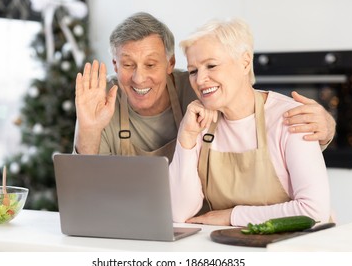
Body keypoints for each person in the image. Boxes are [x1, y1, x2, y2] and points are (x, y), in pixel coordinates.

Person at [73, 12, 335, 163]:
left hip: (199, 224)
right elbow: (86, 186)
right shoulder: (101, 99)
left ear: (170, 63)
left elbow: (259, 122)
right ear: (115, 65)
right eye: (128, 65)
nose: (139, 79)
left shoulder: (199, 89)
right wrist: (89, 128)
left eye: (151, 64)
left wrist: (326, 128)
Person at [169, 18, 331, 227]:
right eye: (193, 71)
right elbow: (179, 213)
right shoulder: (200, 122)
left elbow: (314, 212)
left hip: (289, 248)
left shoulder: (291, 118)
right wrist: (187, 139)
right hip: (226, 247)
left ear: (245, 63)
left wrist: (232, 216)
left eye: (211, 65)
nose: (200, 80)